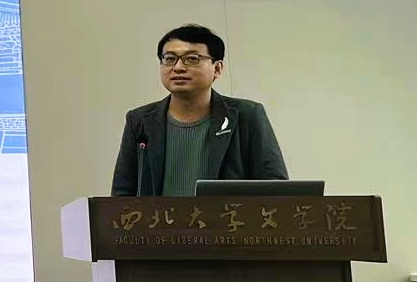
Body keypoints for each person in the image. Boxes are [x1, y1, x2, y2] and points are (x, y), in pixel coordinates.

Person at [110, 24, 288, 197]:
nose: (178, 67)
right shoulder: (140, 120)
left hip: (226, 218)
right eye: (170, 59)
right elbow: (122, 195)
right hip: (158, 219)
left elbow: (275, 189)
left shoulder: (247, 115)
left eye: (192, 59)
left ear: (217, 68)